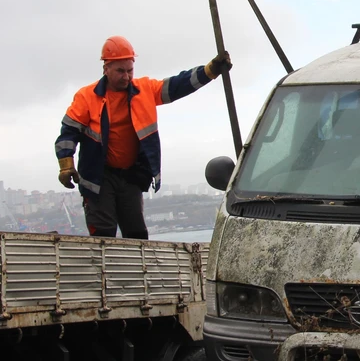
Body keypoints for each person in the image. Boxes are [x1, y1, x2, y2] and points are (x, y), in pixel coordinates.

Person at [55, 35, 231, 239]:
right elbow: (68, 132)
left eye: (130, 70)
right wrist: (66, 165)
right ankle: (104, 270)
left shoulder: (144, 90)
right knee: (103, 233)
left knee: (136, 233)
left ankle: (137, 271)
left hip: (131, 174)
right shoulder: (87, 97)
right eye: (120, 71)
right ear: (106, 69)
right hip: (98, 175)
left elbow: (177, 85)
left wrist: (210, 71)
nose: (126, 77)